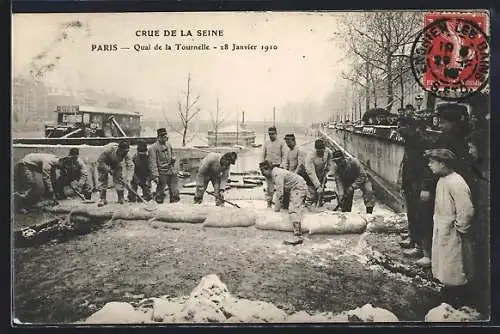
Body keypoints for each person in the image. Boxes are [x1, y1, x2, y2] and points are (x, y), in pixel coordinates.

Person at [425, 148, 475, 309]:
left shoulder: (456, 182)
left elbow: (466, 209)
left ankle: (458, 299)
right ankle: (448, 292)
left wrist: (460, 228)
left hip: (454, 232)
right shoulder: (442, 180)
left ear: (443, 163)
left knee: (455, 265)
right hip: (443, 229)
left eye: (432, 162)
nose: (429, 165)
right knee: (445, 263)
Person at [397, 118, 434, 267]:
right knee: (411, 213)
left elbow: (428, 168)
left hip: (419, 185)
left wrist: (425, 187)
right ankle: (414, 240)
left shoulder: (422, 142)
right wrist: (401, 182)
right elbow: (405, 164)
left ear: (410, 127)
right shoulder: (409, 141)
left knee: (421, 217)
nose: (398, 129)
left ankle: (421, 249)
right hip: (410, 184)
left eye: (401, 127)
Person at [259, 160, 307, 245]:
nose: (262, 173)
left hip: (298, 187)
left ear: (267, 169)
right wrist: (269, 205)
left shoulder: (277, 174)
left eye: (262, 171)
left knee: (293, 209)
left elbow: (279, 194)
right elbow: (270, 190)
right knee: (285, 208)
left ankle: (298, 235)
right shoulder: (270, 176)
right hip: (289, 188)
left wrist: (276, 210)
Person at [96, 141, 134, 206]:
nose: (125, 154)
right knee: (103, 179)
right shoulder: (107, 150)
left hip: (116, 163)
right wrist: (108, 170)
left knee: (119, 178)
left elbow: (130, 165)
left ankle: (121, 198)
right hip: (104, 162)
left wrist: (129, 179)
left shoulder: (126, 153)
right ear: (119, 149)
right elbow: (100, 161)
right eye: (124, 152)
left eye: (126, 152)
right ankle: (102, 198)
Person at [297, 139, 333, 208]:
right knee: (312, 192)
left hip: (320, 172)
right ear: (316, 150)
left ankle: (319, 203)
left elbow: (330, 158)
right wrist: (318, 186)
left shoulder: (327, 151)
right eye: (319, 152)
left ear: (324, 149)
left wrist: (328, 168)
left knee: (321, 191)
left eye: (322, 151)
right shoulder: (310, 157)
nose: (321, 154)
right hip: (307, 173)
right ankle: (307, 206)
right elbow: (311, 173)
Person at [148, 128, 180, 204]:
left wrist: (173, 159)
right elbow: (153, 163)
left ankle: (175, 205)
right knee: (160, 192)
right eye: (163, 137)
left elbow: (172, 154)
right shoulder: (153, 148)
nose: (165, 138)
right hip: (161, 172)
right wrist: (155, 175)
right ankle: (159, 205)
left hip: (171, 170)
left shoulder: (168, 144)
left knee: (175, 190)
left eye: (166, 136)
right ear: (159, 137)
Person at [260, 126, 287, 208]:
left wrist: (282, 166)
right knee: (269, 188)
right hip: (268, 168)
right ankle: (269, 203)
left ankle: (280, 204)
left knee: (280, 186)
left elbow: (284, 156)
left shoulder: (281, 143)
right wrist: (262, 167)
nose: (271, 135)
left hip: (278, 167)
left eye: (272, 134)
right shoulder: (266, 143)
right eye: (269, 134)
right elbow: (262, 155)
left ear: (276, 133)